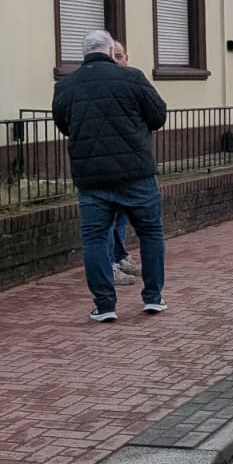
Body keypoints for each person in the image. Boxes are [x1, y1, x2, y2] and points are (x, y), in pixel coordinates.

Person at [52, 30, 168, 322]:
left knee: (94, 239)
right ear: (109, 50)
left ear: (85, 53)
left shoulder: (65, 86)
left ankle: (105, 305)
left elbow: (64, 125)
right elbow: (158, 116)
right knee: (150, 233)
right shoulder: (132, 77)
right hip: (137, 173)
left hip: (92, 179)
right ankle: (153, 298)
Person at [107, 42, 138, 287]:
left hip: (129, 162)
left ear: (127, 58)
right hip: (106, 164)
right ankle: (111, 264)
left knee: (121, 215)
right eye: (113, 56)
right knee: (107, 216)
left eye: (120, 56)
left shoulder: (133, 81)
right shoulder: (102, 84)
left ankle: (119, 255)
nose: (118, 60)